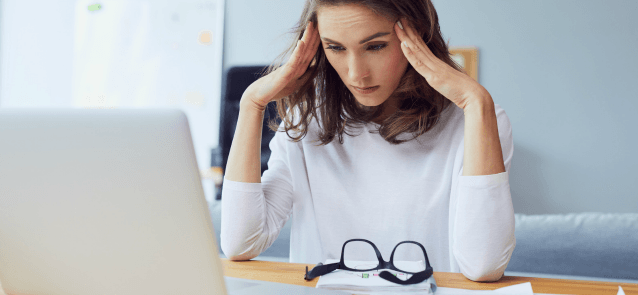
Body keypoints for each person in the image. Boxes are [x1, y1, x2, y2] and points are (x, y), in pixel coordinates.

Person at [220, 0, 515, 282]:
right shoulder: (307, 121)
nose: (356, 73)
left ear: (418, 36)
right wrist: (252, 104)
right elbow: (240, 243)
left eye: (375, 46)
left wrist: (477, 103)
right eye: (335, 47)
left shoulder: (476, 121)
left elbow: (483, 266)